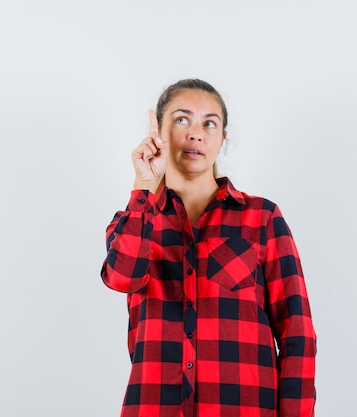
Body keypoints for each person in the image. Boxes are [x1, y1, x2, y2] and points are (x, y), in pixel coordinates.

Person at [101, 79, 316, 417]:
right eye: (182, 119)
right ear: (157, 130)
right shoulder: (136, 219)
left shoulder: (261, 218)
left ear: (222, 139)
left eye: (209, 123)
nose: (196, 133)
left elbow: (297, 333)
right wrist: (144, 184)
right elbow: (121, 278)